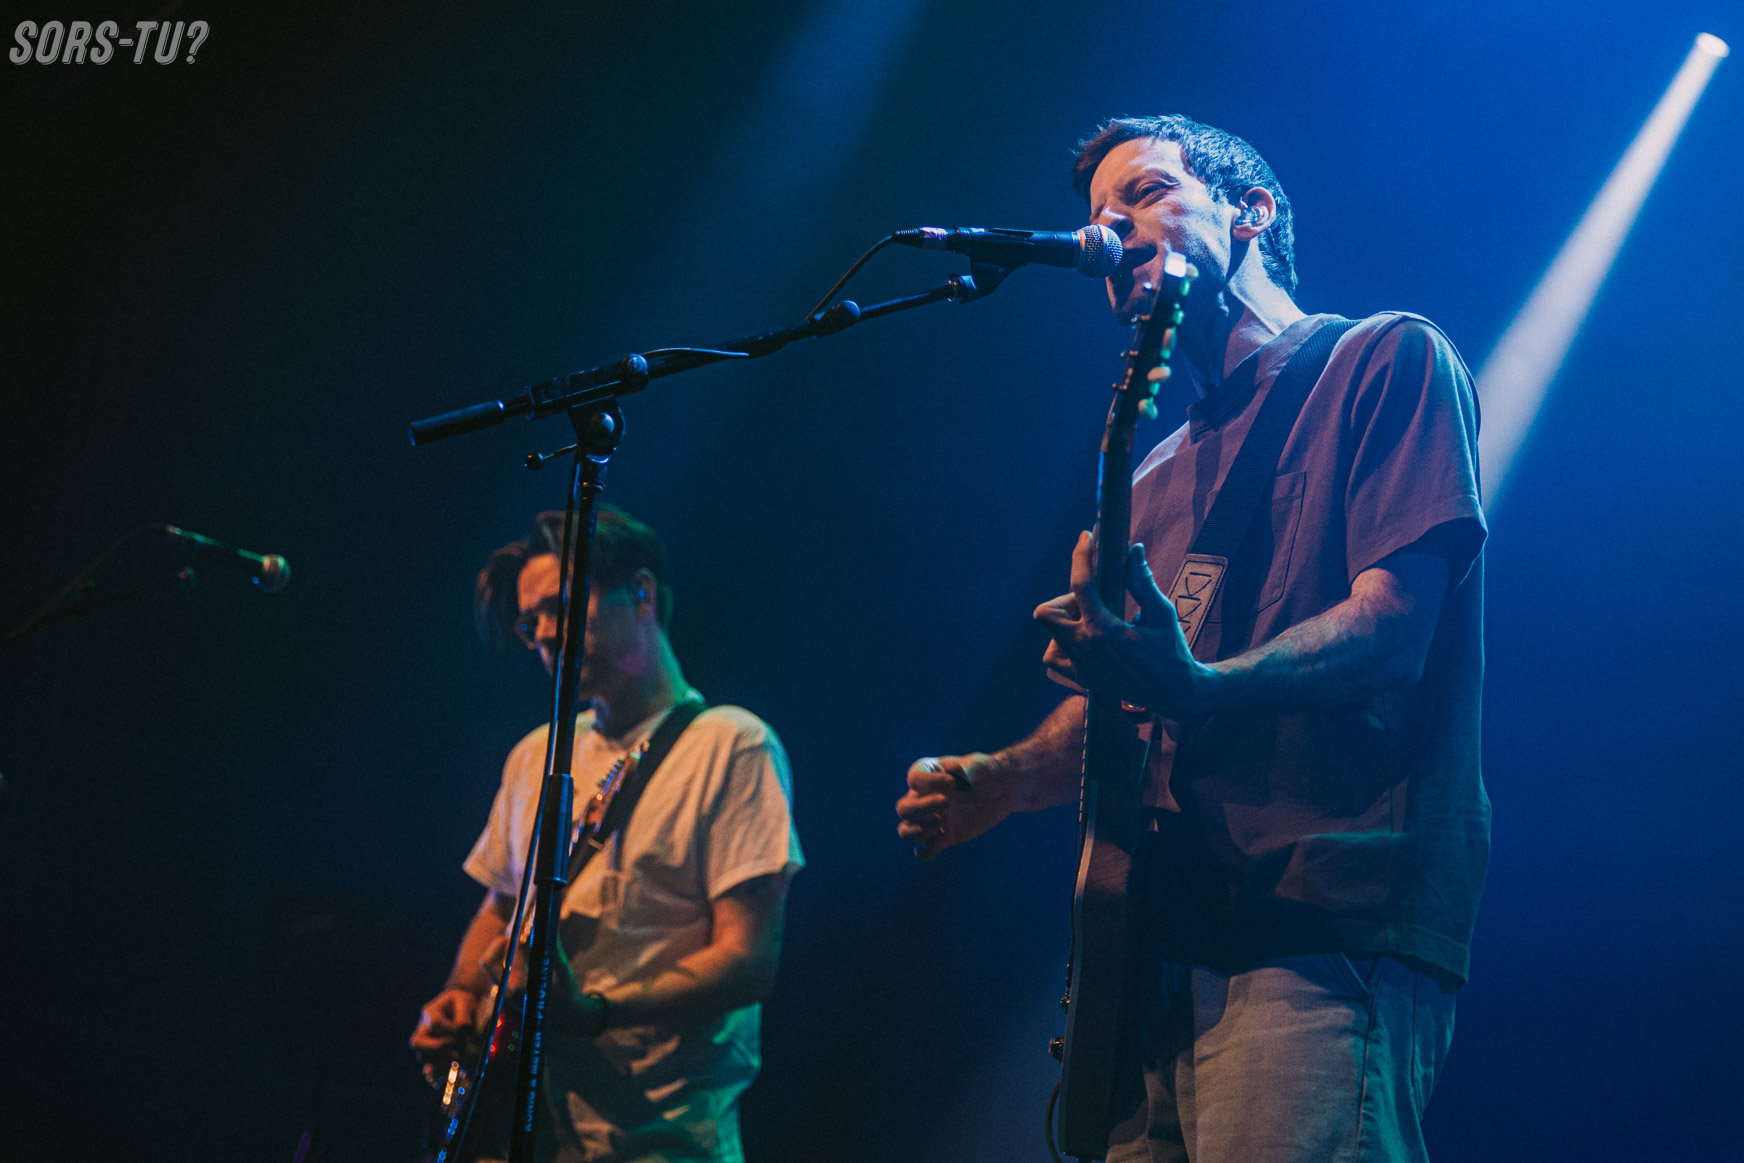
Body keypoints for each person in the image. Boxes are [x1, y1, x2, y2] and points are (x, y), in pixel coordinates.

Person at [896, 114, 1488, 1163]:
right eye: (1098, 214)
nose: (1110, 228)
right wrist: (1006, 777)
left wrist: (1200, 684)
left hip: (1318, 917)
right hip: (1158, 954)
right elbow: (1140, 698)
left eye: (1145, 193)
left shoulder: (1383, 357)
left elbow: (1396, 628)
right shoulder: (1151, 469)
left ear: (1249, 212)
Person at [413, 505, 804, 1163]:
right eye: (530, 623)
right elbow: (502, 906)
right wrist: (459, 993)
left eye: (562, 607)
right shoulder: (535, 754)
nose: (545, 634)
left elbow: (748, 960)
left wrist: (594, 1010)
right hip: (524, 1133)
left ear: (642, 593)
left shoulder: (733, 744)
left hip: (657, 1141)